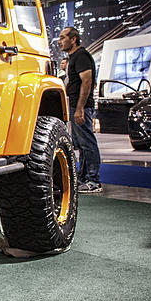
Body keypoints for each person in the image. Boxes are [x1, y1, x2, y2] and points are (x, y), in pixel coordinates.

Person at [57, 26, 101, 193]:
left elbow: (87, 81)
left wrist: (80, 108)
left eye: (63, 37)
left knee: (88, 143)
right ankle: (84, 178)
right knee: (82, 144)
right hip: (75, 105)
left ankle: (93, 181)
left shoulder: (81, 56)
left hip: (81, 106)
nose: (59, 41)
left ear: (73, 39)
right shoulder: (73, 58)